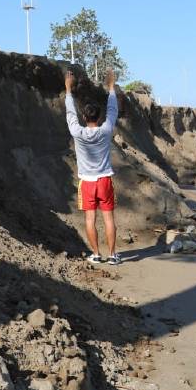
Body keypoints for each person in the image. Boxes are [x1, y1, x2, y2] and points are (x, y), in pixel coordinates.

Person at [64, 67, 121, 265]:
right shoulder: (106, 130)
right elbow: (113, 110)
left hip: (87, 182)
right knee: (108, 219)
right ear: (98, 117)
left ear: (85, 117)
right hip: (104, 179)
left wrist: (68, 90)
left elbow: (70, 114)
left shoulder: (77, 132)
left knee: (90, 219)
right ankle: (113, 256)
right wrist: (111, 88)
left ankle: (96, 254)